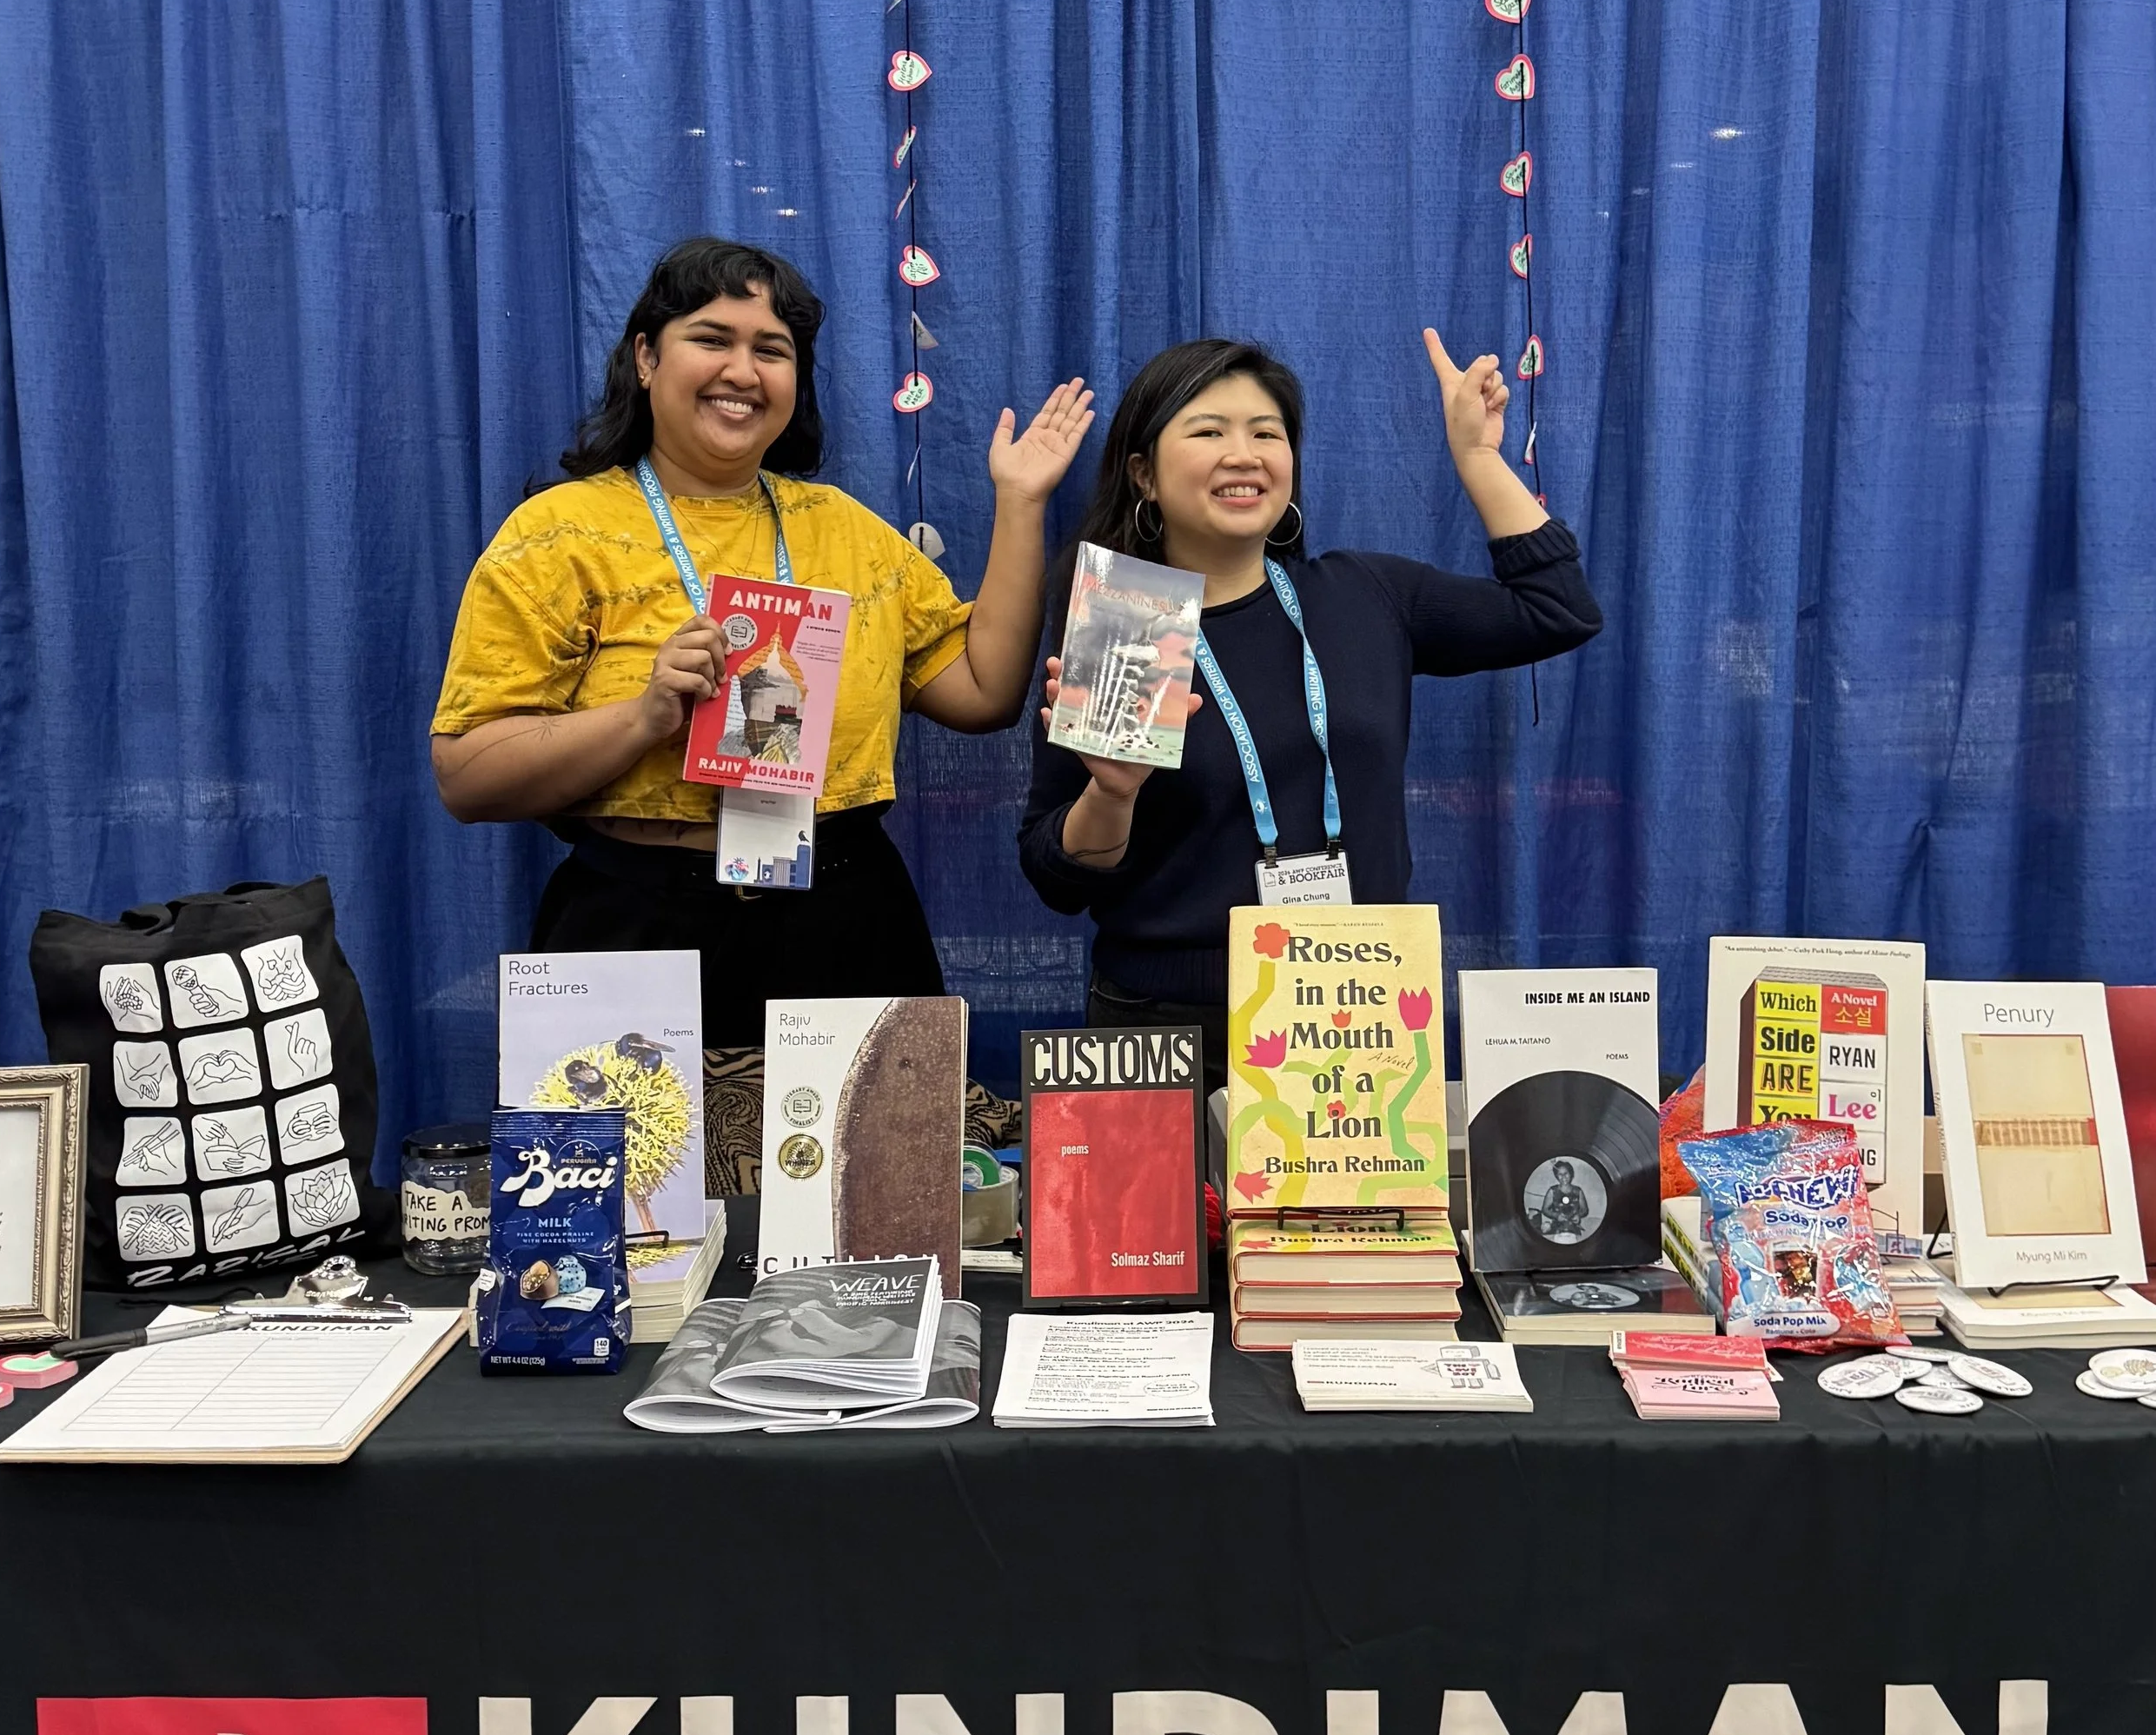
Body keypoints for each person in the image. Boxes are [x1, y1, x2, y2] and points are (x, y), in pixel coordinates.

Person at [432, 235, 1091, 1180]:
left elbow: (983, 692)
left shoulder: (846, 533)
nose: (743, 370)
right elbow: (465, 772)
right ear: (647, 357)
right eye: (713, 338)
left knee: (871, 1224)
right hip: (635, 924)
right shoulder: (558, 533)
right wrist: (647, 713)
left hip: (844, 922)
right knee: (630, 1235)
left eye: (772, 349)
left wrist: (1021, 502)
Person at [1018, 329, 1602, 1059]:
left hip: (1353, 1011)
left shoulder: (1362, 596)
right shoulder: (1126, 622)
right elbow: (1056, 878)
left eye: (1267, 432)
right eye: (1209, 431)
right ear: (1144, 474)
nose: (1245, 454)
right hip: (1167, 1028)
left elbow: (1558, 609)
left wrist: (1477, 457)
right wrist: (1111, 795)